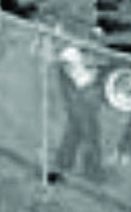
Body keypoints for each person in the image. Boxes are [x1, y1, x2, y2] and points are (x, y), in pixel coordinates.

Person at [45, 36, 111, 182]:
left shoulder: (89, 53)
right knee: (90, 134)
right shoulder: (70, 53)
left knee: (74, 131)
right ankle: (93, 172)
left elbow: (100, 64)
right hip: (80, 95)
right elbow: (60, 62)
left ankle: (62, 163)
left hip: (87, 95)